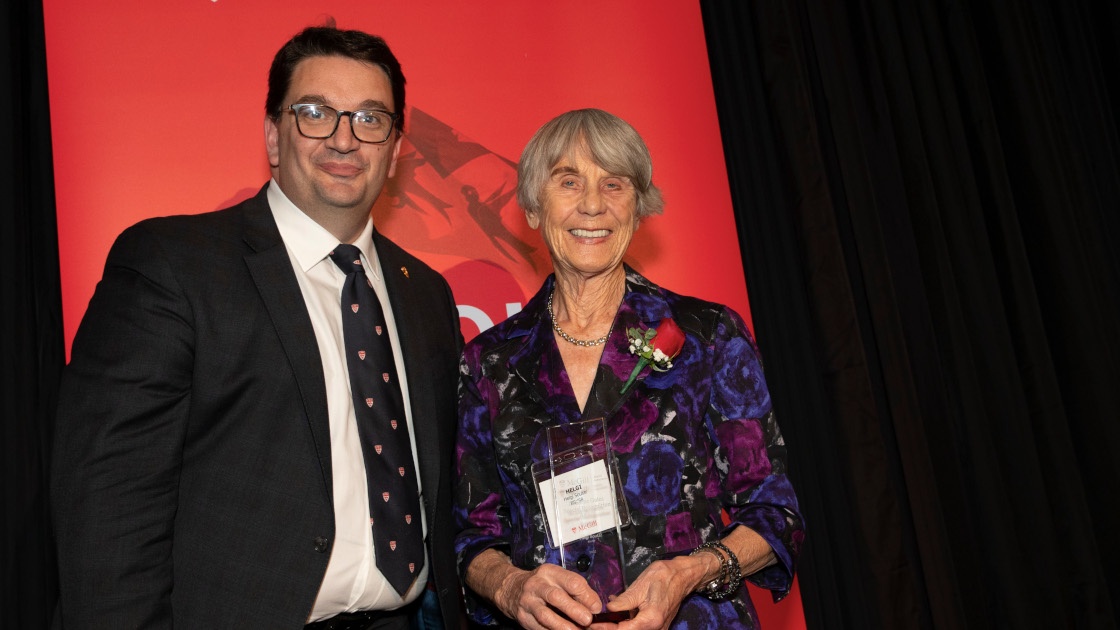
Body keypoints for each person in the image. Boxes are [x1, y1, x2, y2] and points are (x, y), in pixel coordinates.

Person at [51, 25, 464, 629]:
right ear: (274, 135)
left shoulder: (426, 293)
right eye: (316, 113)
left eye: (371, 119)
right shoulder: (174, 265)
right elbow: (106, 509)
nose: (345, 139)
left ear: (395, 148)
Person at [453, 109, 803, 629]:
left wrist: (690, 573)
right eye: (568, 181)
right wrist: (510, 585)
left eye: (613, 184)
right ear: (532, 206)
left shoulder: (708, 335)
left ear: (637, 208)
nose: (592, 205)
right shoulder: (489, 362)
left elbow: (775, 513)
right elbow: (471, 535)